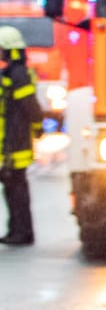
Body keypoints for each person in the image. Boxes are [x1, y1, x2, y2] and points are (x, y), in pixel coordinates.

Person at [0, 26, 42, 246]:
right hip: (9, 142)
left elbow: (30, 106)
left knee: (16, 191)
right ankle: (17, 230)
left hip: (15, 143)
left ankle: (22, 232)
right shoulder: (10, 74)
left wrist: (37, 124)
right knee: (13, 190)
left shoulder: (18, 75)